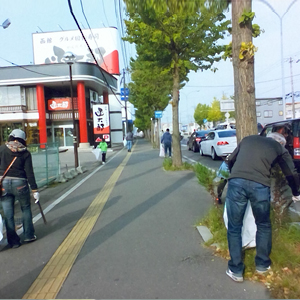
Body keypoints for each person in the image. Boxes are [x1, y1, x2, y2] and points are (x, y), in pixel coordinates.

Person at [225, 132, 300, 282]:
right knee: (263, 224)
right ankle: (262, 265)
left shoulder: (248, 139)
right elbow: (291, 172)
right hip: (259, 186)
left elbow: (230, 160)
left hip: (236, 182)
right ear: (281, 144)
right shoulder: (280, 149)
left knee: (235, 226)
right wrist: (296, 192)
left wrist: (235, 175)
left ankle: (236, 270)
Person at [0, 129, 39, 248]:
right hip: (20, 183)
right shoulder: (25, 152)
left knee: (8, 214)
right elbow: (29, 173)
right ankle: (28, 235)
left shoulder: (1, 149)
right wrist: (35, 190)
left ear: (11, 137)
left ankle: (14, 241)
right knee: (25, 208)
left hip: (4, 184)